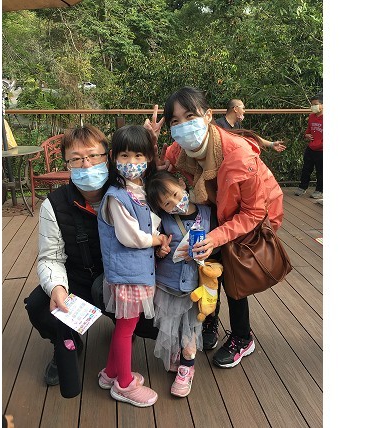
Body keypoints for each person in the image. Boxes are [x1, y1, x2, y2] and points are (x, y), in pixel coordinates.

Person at [23, 124, 158, 399]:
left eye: (94, 156)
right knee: (39, 305)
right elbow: (50, 257)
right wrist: (57, 288)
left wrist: (151, 143)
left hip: (124, 278)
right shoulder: (54, 204)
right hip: (81, 279)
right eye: (76, 159)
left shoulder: (127, 190)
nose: (86, 164)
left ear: (108, 157)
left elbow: (155, 176)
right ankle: (67, 342)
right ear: (67, 164)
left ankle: (124, 330)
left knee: (152, 323)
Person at [160, 86, 284, 369]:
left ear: (208, 116)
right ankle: (210, 320)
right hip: (217, 208)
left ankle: (242, 336)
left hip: (257, 212)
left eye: (190, 116)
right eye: (175, 121)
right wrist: (149, 140)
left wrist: (217, 236)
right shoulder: (179, 149)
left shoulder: (239, 155)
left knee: (232, 270)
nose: (183, 125)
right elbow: (164, 168)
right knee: (207, 263)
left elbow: (254, 211)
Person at [97, 125, 172, 407]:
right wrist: (156, 240)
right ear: (114, 158)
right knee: (125, 329)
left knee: (124, 325)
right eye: (124, 156)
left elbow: (148, 223)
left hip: (136, 272)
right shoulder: (117, 196)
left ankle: (111, 373)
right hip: (127, 275)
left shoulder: (139, 189)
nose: (131, 162)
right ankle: (124, 385)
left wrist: (158, 239)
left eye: (138, 155)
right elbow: (130, 237)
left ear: (148, 157)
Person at [144, 170, 217, 397]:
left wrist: (208, 249)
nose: (175, 203)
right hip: (167, 283)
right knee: (172, 326)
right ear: (160, 207)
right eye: (167, 203)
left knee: (191, 328)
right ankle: (177, 354)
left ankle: (187, 367)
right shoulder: (162, 220)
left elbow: (218, 242)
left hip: (194, 285)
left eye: (176, 195)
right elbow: (155, 248)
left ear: (183, 184)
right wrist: (160, 250)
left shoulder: (207, 213)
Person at [214, 99, 287, 153]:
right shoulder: (218, 125)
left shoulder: (237, 125)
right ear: (235, 109)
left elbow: (251, 137)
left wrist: (271, 144)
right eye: (243, 108)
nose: (244, 111)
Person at [295, 93, 323, 199]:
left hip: (322, 150)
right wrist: (306, 135)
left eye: (316, 104)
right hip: (311, 148)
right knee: (306, 168)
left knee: (321, 171)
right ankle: (302, 187)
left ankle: (320, 190)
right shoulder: (311, 116)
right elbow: (308, 131)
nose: (313, 107)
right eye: (312, 104)